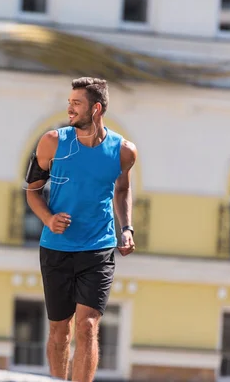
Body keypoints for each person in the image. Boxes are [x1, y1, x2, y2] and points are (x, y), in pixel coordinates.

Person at [25, 77, 137, 381]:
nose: (69, 108)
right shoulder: (52, 142)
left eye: (77, 103)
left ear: (96, 108)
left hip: (98, 248)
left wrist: (126, 227)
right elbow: (32, 190)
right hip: (56, 247)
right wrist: (48, 219)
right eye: (69, 102)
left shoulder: (123, 151)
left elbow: (122, 190)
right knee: (60, 329)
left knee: (87, 326)